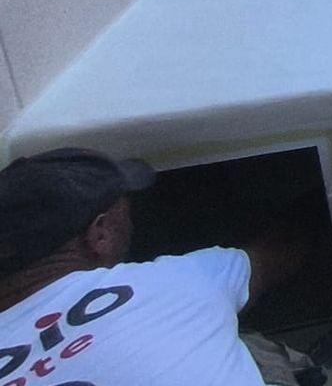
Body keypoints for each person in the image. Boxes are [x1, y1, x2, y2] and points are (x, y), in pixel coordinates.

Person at [0, 147, 304, 386]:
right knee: (252, 346)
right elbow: (280, 253)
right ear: (100, 234)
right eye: (125, 210)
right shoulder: (176, 280)